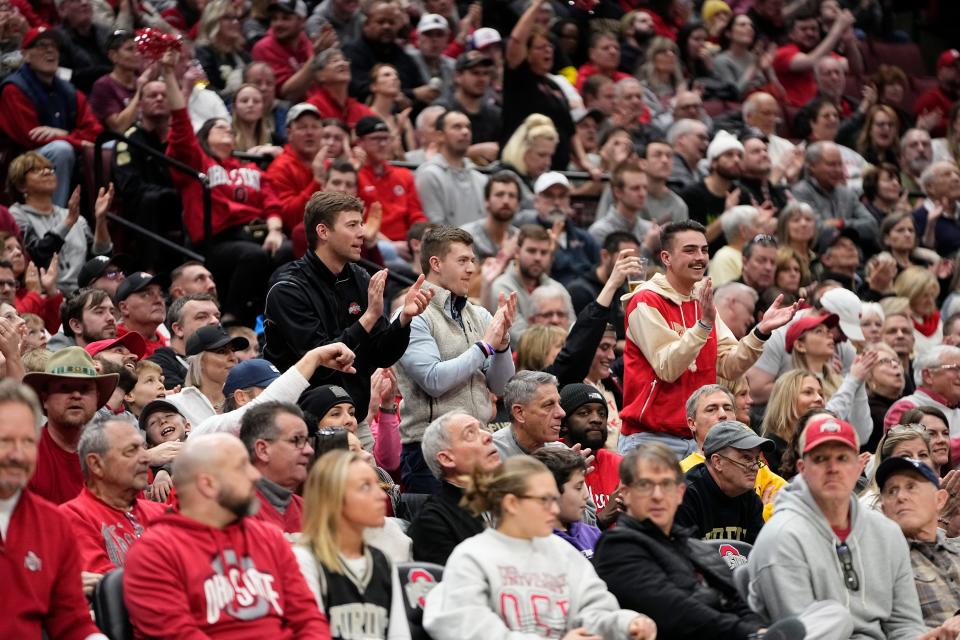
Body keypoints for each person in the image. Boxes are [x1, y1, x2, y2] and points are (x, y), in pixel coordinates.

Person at [422, 455, 657, 640]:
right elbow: (467, 629)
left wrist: (626, 624)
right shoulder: (472, 557)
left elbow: (594, 608)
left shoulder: (561, 552)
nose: (554, 510)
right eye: (544, 500)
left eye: (555, 500)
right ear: (511, 503)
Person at [123, 432, 331, 637]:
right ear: (208, 484)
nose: (255, 475)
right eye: (242, 468)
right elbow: (179, 634)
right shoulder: (154, 553)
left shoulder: (269, 537)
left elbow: (308, 619)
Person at [620, 220, 800, 458]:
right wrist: (703, 325)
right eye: (690, 250)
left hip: (699, 439)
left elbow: (730, 366)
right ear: (666, 257)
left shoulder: (701, 301)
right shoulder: (645, 301)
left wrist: (760, 332)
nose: (700, 257)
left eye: (704, 250)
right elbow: (667, 367)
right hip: (651, 440)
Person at [748, 415, 929, 637]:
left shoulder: (887, 533)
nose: (833, 468)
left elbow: (905, 625)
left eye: (842, 458)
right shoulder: (781, 537)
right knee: (835, 619)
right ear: (802, 469)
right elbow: (802, 633)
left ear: (857, 467)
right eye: (821, 458)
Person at [264, 191, 433, 427]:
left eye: (361, 224)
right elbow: (321, 365)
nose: (362, 232)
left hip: (355, 418)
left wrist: (404, 319)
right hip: (301, 422)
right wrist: (369, 317)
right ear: (323, 232)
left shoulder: (359, 277)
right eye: (352, 225)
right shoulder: (287, 288)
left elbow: (382, 354)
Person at [161, 54, 290, 327]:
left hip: (257, 233)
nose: (227, 132)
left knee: (288, 252)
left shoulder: (250, 169)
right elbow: (181, 125)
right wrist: (170, 76)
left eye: (229, 129)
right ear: (205, 137)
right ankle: (231, 316)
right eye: (220, 128)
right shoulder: (198, 162)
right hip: (216, 239)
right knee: (252, 256)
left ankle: (276, 317)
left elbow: (271, 202)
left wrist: (276, 230)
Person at [592, 443, 766, 640]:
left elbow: (737, 602)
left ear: (680, 492)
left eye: (666, 485)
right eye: (645, 485)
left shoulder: (693, 546)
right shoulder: (616, 548)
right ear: (625, 493)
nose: (657, 496)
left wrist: (759, 630)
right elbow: (676, 612)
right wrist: (749, 633)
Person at [394, 226, 516, 492]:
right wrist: (485, 347)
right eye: (462, 261)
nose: (471, 269)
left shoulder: (479, 314)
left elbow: (501, 387)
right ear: (435, 264)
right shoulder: (413, 315)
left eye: (472, 260)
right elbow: (433, 380)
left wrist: (503, 344)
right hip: (429, 452)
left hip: (480, 444)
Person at [0, 379, 108, 640]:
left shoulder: (54, 524)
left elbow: (72, 621)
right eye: (5, 440)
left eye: (27, 442)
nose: (17, 454)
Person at [293, 448, 411, 639]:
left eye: (377, 484)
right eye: (365, 487)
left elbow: (399, 635)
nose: (381, 495)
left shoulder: (382, 561)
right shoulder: (305, 560)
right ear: (333, 497)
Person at [0, 26, 102, 207]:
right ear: (26, 55)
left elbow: (95, 133)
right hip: (20, 161)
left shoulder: (68, 90)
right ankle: (54, 218)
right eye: (41, 45)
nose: (50, 50)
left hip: (60, 149)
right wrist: (71, 140)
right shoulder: (14, 89)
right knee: (61, 150)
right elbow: (31, 138)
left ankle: (103, 215)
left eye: (54, 46)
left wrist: (63, 135)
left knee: (108, 146)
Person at [59, 416, 165, 582]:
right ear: (96, 464)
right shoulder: (71, 517)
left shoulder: (162, 513)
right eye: (131, 451)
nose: (145, 458)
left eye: (144, 448)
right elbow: (106, 585)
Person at [21, 346, 118, 504]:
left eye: (85, 389)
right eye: (65, 388)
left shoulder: (113, 454)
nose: (76, 395)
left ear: (97, 399)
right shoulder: (23, 453)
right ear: (45, 399)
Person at [7, 152, 114, 294]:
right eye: (36, 169)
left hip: (82, 296)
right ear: (21, 186)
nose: (47, 172)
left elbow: (100, 260)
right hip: (45, 295)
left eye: (50, 169)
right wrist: (69, 222)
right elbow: (36, 253)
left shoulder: (76, 218)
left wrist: (100, 220)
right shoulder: (16, 214)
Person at [878, 456, 960, 633]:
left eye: (911, 487)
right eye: (891, 491)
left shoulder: (956, 552)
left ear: (939, 500)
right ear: (883, 510)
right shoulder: (880, 562)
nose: (900, 497)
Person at [681, 384, 786, 521]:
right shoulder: (682, 474)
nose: (723, 415)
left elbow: (789, 500)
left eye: (728, 408)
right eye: (711, 409)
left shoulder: (755, 464)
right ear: (692, 423)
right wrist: (765, 513)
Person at [409, 411, 500, 564]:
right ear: (447, 459)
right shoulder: (432, 523)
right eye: (470, 433)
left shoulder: (512, 497)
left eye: (482, 428)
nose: (488, 436)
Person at [501, 0, 575, 171]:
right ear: (527, 53)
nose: (548, 51)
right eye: (541, 47)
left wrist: (584, 161)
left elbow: (570, 131)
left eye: (550, 47)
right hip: (519, 168)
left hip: (555, 169)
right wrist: (538, 3)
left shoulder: (555, 86)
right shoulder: (519, 77)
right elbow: (517, 40)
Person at [675, 421, 769, 543]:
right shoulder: (685, 496)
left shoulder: (751, 500)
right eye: (746, 458)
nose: (756, 467)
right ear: (717, 462)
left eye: (757, 459)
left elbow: (759, 556)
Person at [791, 141, 880, 251]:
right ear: (812, 166)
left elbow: (871, 226)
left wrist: (840, 223)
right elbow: (816, 230)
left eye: (840, 164)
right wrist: (852, 228)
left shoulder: (847, 193)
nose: (838, 170)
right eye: (831, 165)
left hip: (852, 254)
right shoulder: (801, 192)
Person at [516, 171, 600, 286]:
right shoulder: (526, 238)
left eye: (562, 196)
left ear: (569, 200)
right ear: (536, 202)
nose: (556, 202)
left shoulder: (585, 238)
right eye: (549, 196)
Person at [355, 115, 426, 245]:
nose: (382, 144)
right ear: (360, 143)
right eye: (375, 139)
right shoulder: (354, 175)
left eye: (386, 139)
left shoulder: (404, 175)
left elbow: (416, 215)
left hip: (406, 244)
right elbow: (352, 220)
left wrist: (422, 237)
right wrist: (391, 246)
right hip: (370, 243)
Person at [342, 0, 429, 105]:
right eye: (381, 22)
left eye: (391, 23)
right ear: (366, 25)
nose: (386, 27)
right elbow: (359, 89)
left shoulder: (403, 56)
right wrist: (411, 94)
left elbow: (421, 89)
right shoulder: (352, 52)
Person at [560, 382, 623, 519]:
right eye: (584, 413)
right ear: (564, 424)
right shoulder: (552, 463)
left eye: (602, 413)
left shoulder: (620, 464)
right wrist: (602, 519)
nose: (597, 419)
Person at [415, 110, 488, 228]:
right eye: (457, 127)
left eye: (468, 127)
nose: (465, 132)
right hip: (446, 245)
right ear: (440, 136)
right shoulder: (429, 175)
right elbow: (435, 227)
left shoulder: (481, 178)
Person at [772, 9, 859, 107]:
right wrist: (837, 29)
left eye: (814, 29)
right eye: (803, 29)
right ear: (791, 34)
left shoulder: (825, 54)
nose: (810, 33)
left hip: (827, 111)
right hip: (798, 113)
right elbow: (810, 61)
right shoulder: (783, 53)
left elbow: (855, 68)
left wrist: (849, 41)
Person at [679, 130, 751, 244]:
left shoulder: (742, 194)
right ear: (713, 162)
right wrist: (726, 215)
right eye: (729, 155)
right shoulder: (692, 194)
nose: (736, 160)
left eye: (739, 156)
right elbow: (696, 241)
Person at [532, 446, 600, 557]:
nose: (586, 495)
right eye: (578, 487)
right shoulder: (535, 547)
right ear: (550, 492)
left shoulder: (592, 534)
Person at [147, 293, 221, 390]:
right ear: (178, 329)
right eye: (202, 317)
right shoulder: (157, 366)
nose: (215, 321)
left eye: (217, 316)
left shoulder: (227, 360)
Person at [885, 345, 960, 439]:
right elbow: (907, 448)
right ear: (928, 376)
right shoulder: (906, 408)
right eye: (955, 369)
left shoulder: (956, 410)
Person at [459, 170, 520, 261]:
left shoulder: (520, 238)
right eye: (499, 194)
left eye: (512, 196)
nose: (506, 201)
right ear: (486, 201)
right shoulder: (466, 236)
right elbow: (467, 274)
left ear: (518, 204)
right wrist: (504, 256)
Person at [195, 0, 250, 99]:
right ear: (212, 21)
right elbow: (202, 87)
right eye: (227, 18)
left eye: (236, 18)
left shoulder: (242, 54)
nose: (235, 22)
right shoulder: (203, 52)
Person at [588, 160, 652, 245]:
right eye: (635, 188)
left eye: (645, 188)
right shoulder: (600, 231)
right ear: (618, 192)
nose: (642, 194)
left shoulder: (649, 229)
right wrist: (647, 247)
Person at [913, 49, 960, 139]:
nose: (958, 70)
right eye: (953, 66)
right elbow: (918, 129)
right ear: (940, 72)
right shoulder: (930, 98)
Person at [667, 118, 710, 191]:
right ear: (681, 139)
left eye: (707, 139)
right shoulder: (669, 166)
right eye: (701, 137)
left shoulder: (702, 171)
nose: (706, 144)